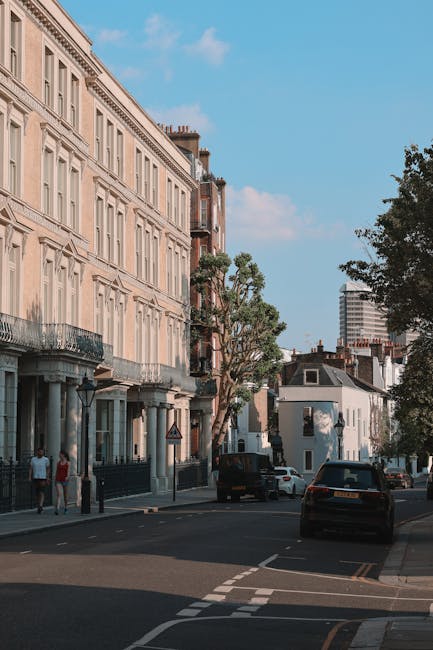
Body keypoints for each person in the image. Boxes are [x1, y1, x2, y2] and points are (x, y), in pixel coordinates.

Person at [29, 448, 50, 514]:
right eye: (40, 452)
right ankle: (39, 505)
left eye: (42, 452)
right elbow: (31, 468)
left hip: (43, 477)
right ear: (37, 452)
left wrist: (47, 477)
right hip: (35, 477)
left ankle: (40, 506)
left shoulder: (46, 459)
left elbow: (48, 469)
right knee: (37, 493)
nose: (41, 453)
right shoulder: (33, 459)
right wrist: (29, 477)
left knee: (42, 491)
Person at [54, 450, 70, 515]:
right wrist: (55, 479)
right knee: (59, 494)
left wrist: (67, 477)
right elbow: (56, 471)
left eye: (60, 454)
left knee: (65, 496)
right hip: (58, 480)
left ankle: (66, 507)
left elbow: (68, 471)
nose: (59, 455)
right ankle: (57, 509)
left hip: (65, 480)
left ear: (63, 455)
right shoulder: (58, 463)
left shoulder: (68, 463)